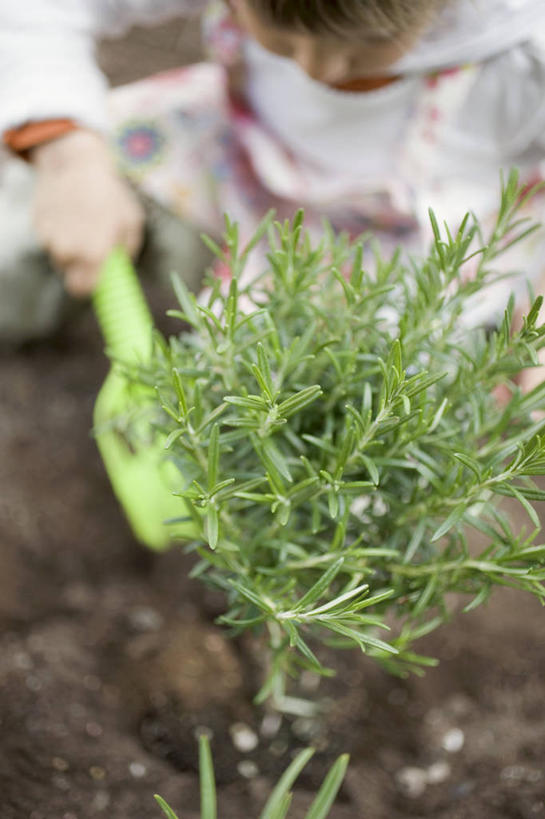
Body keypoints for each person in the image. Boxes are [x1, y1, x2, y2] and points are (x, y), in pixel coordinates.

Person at [1, 0, 545, 361]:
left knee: (331, 410)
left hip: (414, 240)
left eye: (368, 47)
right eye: (281, 42)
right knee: (24, 226)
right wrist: (69, 160)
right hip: (233, 153)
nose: (321, 69)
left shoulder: (523, 43)